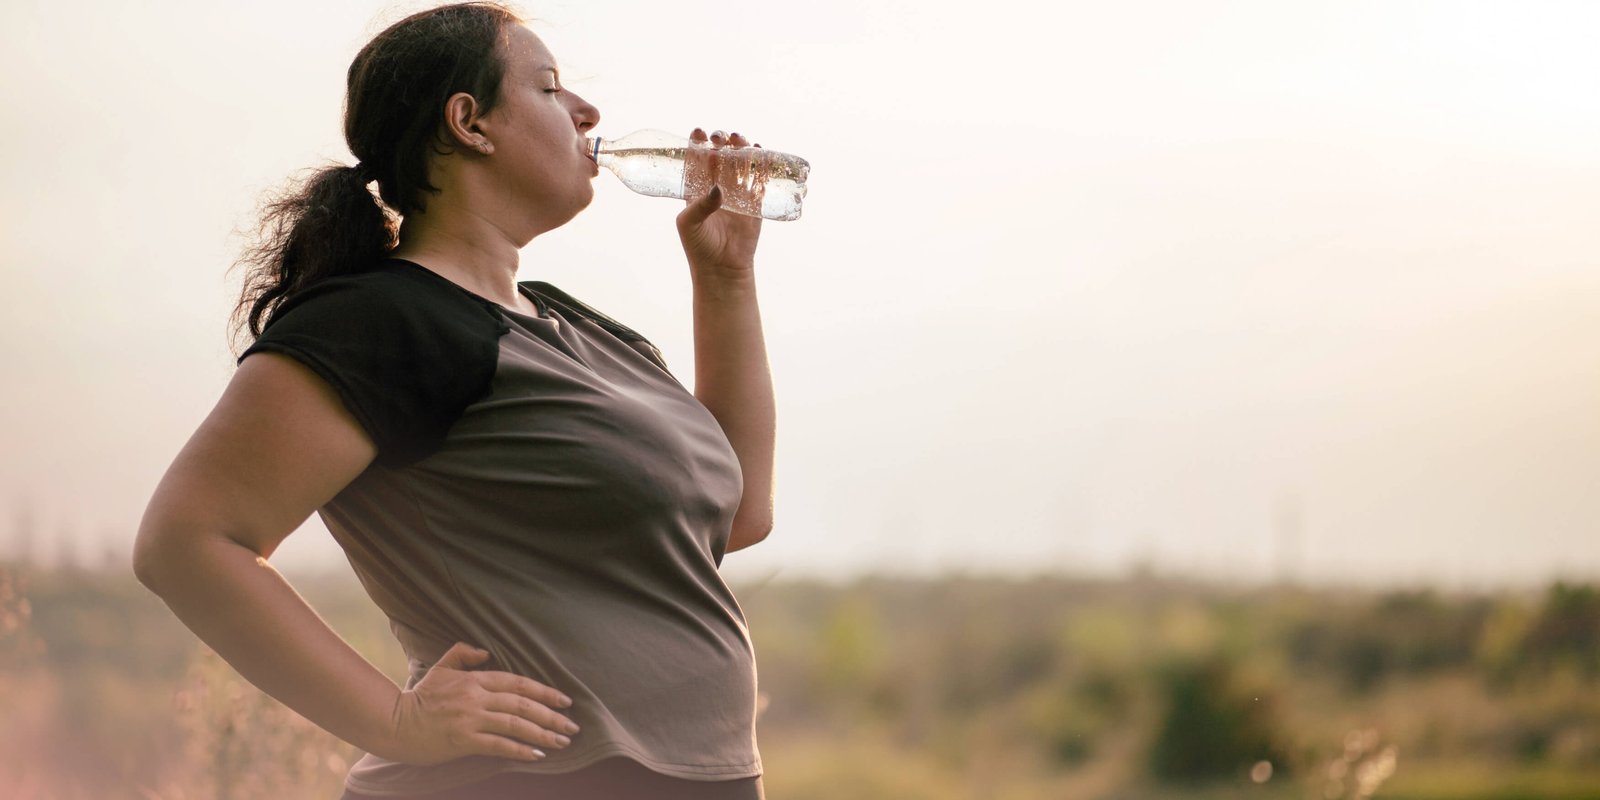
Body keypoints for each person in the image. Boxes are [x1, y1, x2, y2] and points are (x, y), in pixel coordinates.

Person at [131, 2, 776, 798]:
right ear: (470, 122)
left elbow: (740, 516)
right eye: (549, 88)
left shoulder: (580, 328)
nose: (588, 112)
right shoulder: (381, 322)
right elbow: (186, 542)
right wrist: (394, 720)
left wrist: (725, 280)